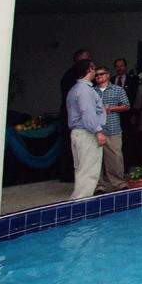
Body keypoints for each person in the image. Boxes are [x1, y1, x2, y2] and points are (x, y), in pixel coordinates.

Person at [66, 59, 106, 199]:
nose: (95, 72)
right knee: (89, 171)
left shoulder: (75, 89)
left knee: (81, 169)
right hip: (87, 133)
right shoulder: (84, 90)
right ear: (89, 69)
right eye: (94, 68)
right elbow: (88, 112)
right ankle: (80, 204)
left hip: (78, 133)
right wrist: (98, 131)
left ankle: (79, 202)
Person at [93, 65, 130, 192]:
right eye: (96, 75)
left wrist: (111, 108)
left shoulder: (117, 90)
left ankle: (118, 184)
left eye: (101, 74)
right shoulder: (92, 91)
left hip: (113, 128)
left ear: (108, 75)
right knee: (96, 160)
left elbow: (126, 106)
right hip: (96, 130)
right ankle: (99, 186)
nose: (99, 77)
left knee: (115, 158)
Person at [58, 48, 93, 183]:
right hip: (77, 122)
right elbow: (84, 108)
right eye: (87, 59)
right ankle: (69, 175)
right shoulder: (76, 82)